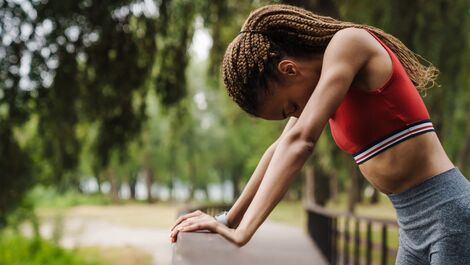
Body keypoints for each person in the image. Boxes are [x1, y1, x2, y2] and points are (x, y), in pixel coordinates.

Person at [169, 4, 470, 264]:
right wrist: (228, 219)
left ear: (289, 70)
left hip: (448, 214)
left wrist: (243, 232)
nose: (297, 116)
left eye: (290, 108)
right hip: (409, 223)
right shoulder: (322, 88)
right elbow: (281, 147)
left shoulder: (348, 45)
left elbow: (302, 142)